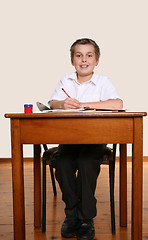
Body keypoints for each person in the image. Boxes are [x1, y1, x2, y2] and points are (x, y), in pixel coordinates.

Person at [48, 38, 123, 240]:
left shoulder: (103, 82)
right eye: (78, 55)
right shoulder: (66, 80)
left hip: (95, 139)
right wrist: (62, 103)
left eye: (89, 55)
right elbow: (52, 102)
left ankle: (86, 218)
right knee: (62, 162)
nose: (84, 60)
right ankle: (72, 214)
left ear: (96, 61)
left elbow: (117, 103)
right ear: (72, 60)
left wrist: (85, 104)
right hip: (68, 139)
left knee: (86, 162)